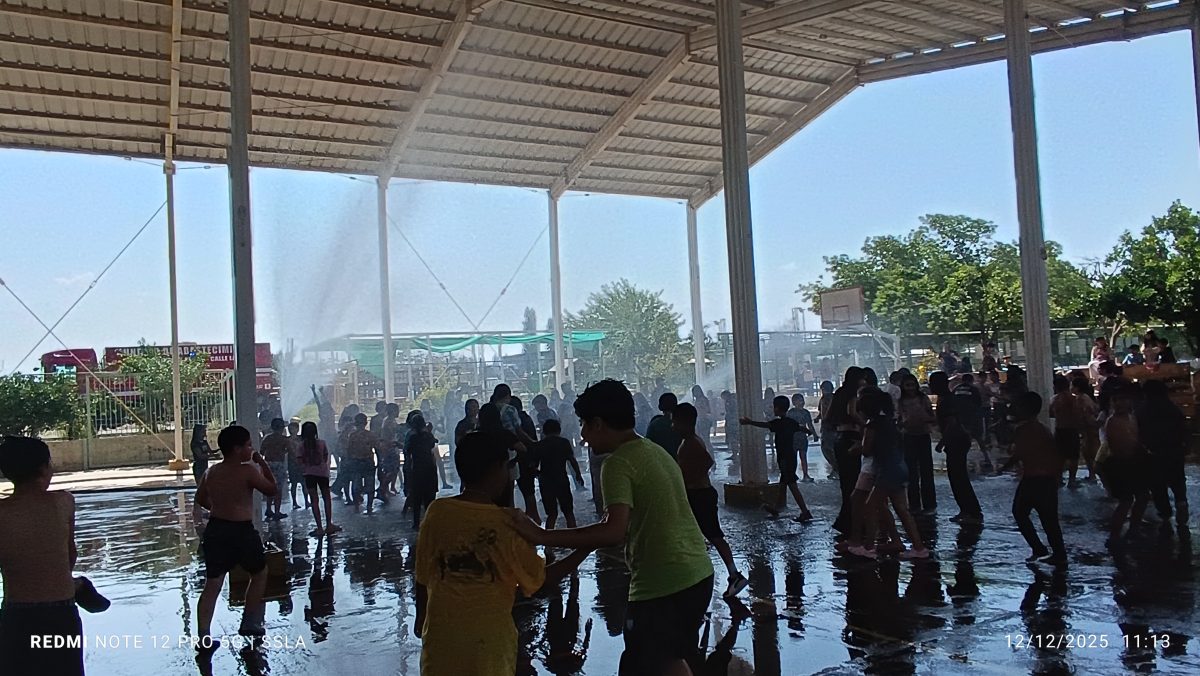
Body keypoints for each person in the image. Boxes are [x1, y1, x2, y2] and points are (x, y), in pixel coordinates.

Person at [510, 379, 714, 676]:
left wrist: (541, 535)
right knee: (663, 659)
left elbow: (612, 532)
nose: (582, 435)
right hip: (696, 575)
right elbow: (615, 525)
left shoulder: (617, 463)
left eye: (584, 425)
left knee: (647, 665)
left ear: (598, 423)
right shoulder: (654, 451)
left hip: (663, 583)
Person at [414, 432, 591, 676]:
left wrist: (421, 617)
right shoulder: (507, 524)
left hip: (440, 641)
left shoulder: (438, 512)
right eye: (508, 467)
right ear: (497, 469)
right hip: (489, 645)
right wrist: (586, 547)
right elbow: (541, 580)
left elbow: (422, 575)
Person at [0, 437, 85, 674]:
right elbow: (70, 556)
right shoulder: (63, 502)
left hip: (16, 615)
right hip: (61, 613)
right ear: (44, 468)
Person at [195, 425, 278, 647]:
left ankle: (203, 635)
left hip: (216, 530)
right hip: (241, 531)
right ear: (237, 448)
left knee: (213, 583)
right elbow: (271, 489)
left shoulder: (212, 472)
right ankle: (249, 622)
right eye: (248, 445)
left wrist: (220, 507)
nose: (251, 449)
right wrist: (262, 463)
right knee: (259, 572)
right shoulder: (247, 471)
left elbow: (201, 498)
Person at [672, 403, 749, 599]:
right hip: (699, 493)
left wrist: (689, 479)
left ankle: (733, 575)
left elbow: (707, 462)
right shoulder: (691, 441)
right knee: (703, 535)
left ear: (684, 422)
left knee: (713, 535)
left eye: (675, 422)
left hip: (700, 495)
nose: (673, 426)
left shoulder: (691, 444)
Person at [853, 389, 930, 560]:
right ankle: (919, 548)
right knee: (902, 509)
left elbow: (866, 450)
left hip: (886, 471)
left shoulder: (872, 426)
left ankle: (868, 548)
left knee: (870, 506)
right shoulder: (889, 423)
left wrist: (855, 448)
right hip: (900, 468)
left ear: (865, 411)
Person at [998, 393, 1067, 566]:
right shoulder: (1041, 428)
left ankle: (1040, 549)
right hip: (1047, 478)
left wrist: (1005, 466)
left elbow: (1020, 452)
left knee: (1020, 513)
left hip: (1034, 478)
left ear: (1024, 409)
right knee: (1049, 519)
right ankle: (1058, 553)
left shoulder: (1024, 430)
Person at [741, 395, 815, 523]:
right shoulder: (790, 422)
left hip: (784, 458)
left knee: (792, 484)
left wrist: (749, 422)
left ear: (777, 408)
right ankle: (776, 509)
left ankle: (805, 511)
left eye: (774, 407)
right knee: (783, 484)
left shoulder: (778, 423)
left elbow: (764, 425)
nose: (772, 409)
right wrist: (808, 432)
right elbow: (800, 428)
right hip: (790, 456)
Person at [1104, 384, 1152, 543]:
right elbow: (1118, 446)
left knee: (1142, 497)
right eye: (1116, 400)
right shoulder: (1112, 421)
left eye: (1123, 399)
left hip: (1135, 462)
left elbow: (1135, 440)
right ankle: (1114, 535)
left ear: (1129, 401)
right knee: (1126, 500)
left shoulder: (1132, 418)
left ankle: (1133, 529)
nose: (1120, 403)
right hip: (1121, 463)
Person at [1138, 380, 1189, 529]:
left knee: (1158, 485)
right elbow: (1183, 428)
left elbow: (1139, 433)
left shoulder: (1142, 410)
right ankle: (1181, 503)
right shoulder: (1172, 408)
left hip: (1153, 453)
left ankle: (1165, 514)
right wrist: (1185, 446)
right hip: (1174, 450)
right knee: (1178, 480)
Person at [830, 367, 865, 535]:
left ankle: (845, 520)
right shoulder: (852, 394)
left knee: (846, 483)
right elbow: (852, 412)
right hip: (851, 436)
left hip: (839, 437)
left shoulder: (839, 393)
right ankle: (852, 521)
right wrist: (867, 425)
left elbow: (829, 415)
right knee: (854, 482)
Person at [532, 419, 584, 529]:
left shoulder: (540, 445)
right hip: (561, 480)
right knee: (568, 513)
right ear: (559, 430)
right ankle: (574, 536)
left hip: (546, 482)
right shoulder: (564, 442)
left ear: (544, 431)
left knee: (551, 514)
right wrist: (578, 474)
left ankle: (548, 538)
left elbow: (534, 465)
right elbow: (572, 460)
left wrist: (538, 475)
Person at [897, 374, 937, 514]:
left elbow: (932, 417)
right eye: (907, 385)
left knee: (926, 471)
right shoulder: (901, 402)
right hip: (909, 436)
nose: (910, 388)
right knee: (911, 472)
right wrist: (903, 423)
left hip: (923, 435)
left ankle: (929, 504)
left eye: (912, 385)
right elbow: (898, 420)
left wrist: (925, 419)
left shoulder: (923, 399)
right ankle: (914, 504)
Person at [296, 422, 341, 537]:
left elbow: (300, 461)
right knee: (326, 498)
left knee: (314, 500)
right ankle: (329, 525)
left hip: (309, 474)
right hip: (322, 473)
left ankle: (319, 527)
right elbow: (325, 457)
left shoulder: (301, 446)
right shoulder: (322, 443)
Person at [1049, 374, 1086, 489]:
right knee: (1073, 457)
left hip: (1059, 429)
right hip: (1071, 429)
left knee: (1059, 456)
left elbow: (1051, 414)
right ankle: (1072, 480)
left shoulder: (1054, 399)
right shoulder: (1073, 399)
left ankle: (1059, 479)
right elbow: (1078, 414)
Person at [405, 414, 440, 529]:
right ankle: (430, 521)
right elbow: (433, 444)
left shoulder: (412, 438)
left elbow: (407, 450)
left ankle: (416, 523)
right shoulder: (428, 436)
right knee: (430, 497)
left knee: (417, 497)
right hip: (429, 467)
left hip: (417, 468)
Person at [952, 373, 992, 470]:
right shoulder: (973, 389)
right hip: (973, 417)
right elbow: (978, 403)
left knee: (962, 438)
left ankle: (961, 458)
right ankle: (986, 457)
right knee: (978, 437)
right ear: (971, 380)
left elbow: (952, 402)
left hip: (959, 417)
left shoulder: (956, 389)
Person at [344, 413, 380, 514]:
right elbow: (377, 449)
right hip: (368, 461)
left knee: (356, 485)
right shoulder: (370, 435)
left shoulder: (352, 436)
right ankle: (369, 506)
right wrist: (379, 462)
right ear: (365, 423)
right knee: (370, 485)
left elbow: (348, 451)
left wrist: (348, 462)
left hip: (356, 462)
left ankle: (357, 506)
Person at [260, 418, 291, 520]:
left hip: (268, 464)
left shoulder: (267, 438)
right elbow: (290, 450)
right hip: (279, 464)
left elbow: (262, 451)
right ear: (282, 428)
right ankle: (277, 511)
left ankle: (269, 509)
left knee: (270, 487)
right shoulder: (284, 439)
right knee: (278, 489)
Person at [1072, 377, 1101, 483]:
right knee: (1088, 452)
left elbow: (1085, 414)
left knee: (1089, 452)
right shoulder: (1085, 397)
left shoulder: (1081, 399)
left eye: (1072, 385)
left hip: (1088, 427)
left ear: (1077, 388)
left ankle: (1095, 474)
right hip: (1089, 427)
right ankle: (1092, 474)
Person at [645, 393, 683, 459]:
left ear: (660, 406)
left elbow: (648, 445)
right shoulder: (682, 424)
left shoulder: (654, 424)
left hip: (660, 460)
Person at [814, 380, 837, 479]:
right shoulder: (823, 399)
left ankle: (836, 468)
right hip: (826, 427)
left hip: (831, 427)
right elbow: (822, 412)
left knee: (829, 449)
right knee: (827, 449)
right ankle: (836, 468)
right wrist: (818, 418)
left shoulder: (833, 399)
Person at [286, 420, 308, 510]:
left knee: (303, 484)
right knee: (295, 484)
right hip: (294, 464)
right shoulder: (290, 440)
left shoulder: (299, 439)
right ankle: (295, 502)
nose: (293, 430)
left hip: (298, 464)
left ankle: (306, 501)